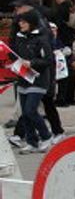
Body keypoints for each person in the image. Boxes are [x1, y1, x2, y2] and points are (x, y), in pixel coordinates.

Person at [11, 11, 54, 153]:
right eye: (19, 22)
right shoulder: (20, 38)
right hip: (23, 79)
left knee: (30, 110)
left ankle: (46, 136)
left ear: (31, 23)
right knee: (25, 113)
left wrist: (32, 63)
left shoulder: (41, 39)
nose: (20, 24)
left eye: (23, 22)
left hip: (38, 80)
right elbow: (16, 54)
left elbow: (48, 60)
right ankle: (32, 142)